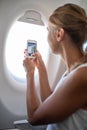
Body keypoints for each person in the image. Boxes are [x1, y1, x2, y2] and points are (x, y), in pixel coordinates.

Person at [23, 3, 87, 130]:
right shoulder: (73, 71)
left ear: (59, 34)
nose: (47, 36)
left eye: (48, 30)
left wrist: (29, 74)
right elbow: (50, 101)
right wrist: (41, 68)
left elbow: (34, 117)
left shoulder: (81, 75)